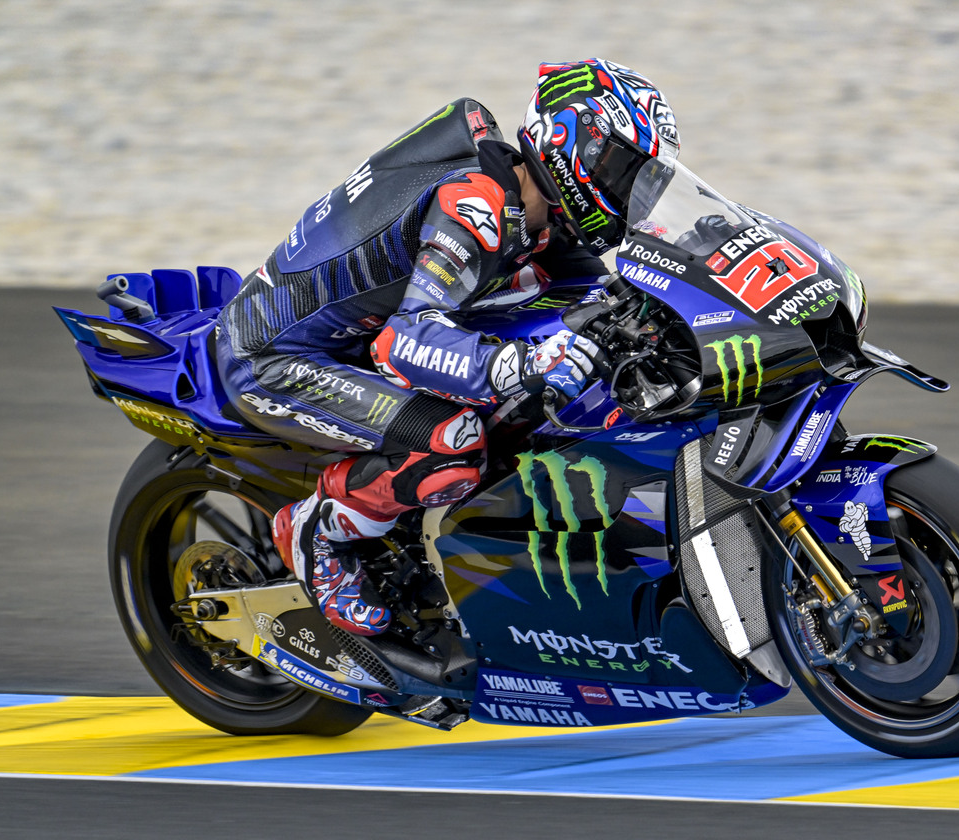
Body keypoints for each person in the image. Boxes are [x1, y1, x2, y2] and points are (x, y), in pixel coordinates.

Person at [214, 59, 680, 636]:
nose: (630, 190)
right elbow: (405, 342)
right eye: (622, 169)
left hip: (357, 340)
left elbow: (602, 298)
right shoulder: (475, 204)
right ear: (568, 142)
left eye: (643, 178)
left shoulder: (544, 217)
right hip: (276, 358)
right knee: (452, 444)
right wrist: (521, 364)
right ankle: (317, 533)